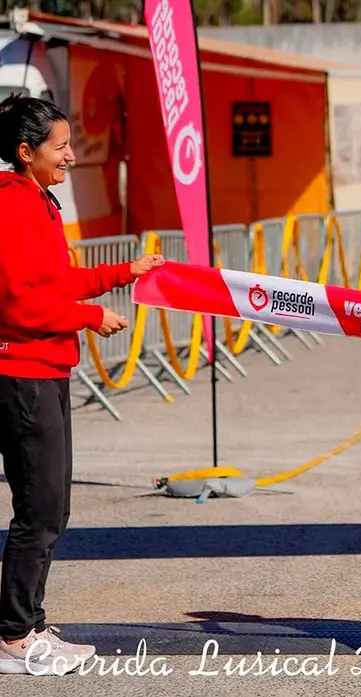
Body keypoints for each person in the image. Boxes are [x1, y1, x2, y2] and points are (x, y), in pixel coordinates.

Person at [0, 95, 164, 676]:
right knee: (40, 510)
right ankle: (15, 639)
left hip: (48, 369)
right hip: (21, 373)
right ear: (26, 153)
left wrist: (125, 273)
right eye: (61, 147)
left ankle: (27, 620)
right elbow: (20, 301)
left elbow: (58, 278)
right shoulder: (11, 204)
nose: (71, 155)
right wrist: (92, 317)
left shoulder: (37, 200)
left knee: (53, 507)